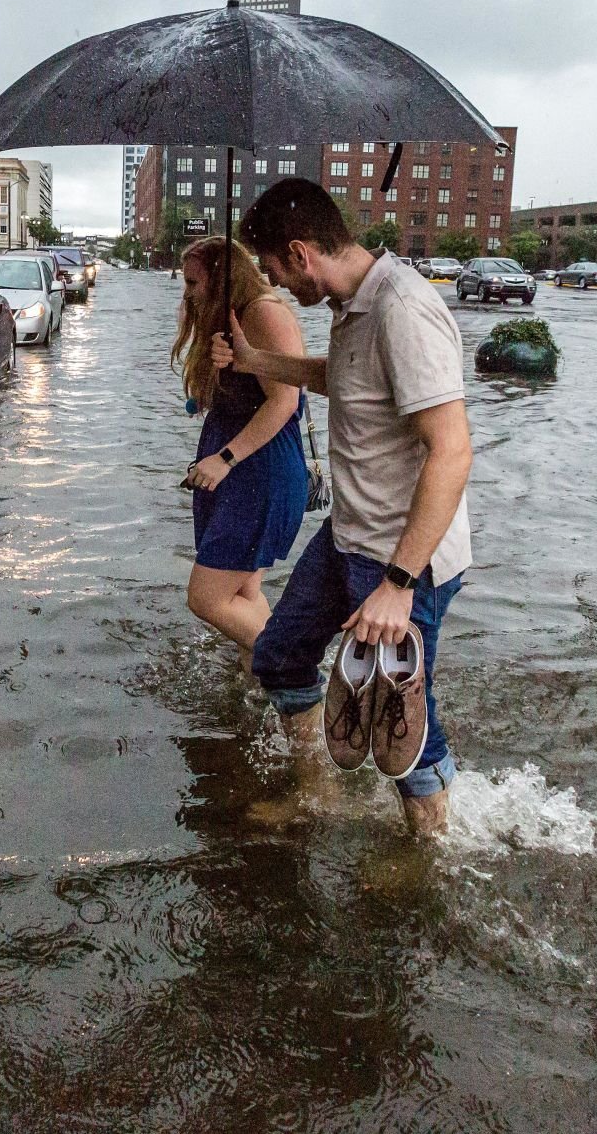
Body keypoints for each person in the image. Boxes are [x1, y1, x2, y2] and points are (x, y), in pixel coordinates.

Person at [211, 180, 473, 836]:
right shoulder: (353, 304)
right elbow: (343, 378)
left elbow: (452, 452)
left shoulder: (402, 309)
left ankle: (429, 858)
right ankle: (318, 795)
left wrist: (398, 585)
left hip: (402, 558)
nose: (273, 283)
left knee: (401, 731)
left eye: (272, 269)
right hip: (348, 535)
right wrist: (256, 360)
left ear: (300, 253)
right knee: (279, 656)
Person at [173, 236, 308, 668]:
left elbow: (285, 402)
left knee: (207, 598)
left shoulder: (263, 312)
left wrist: (225, 458)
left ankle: (291, 668)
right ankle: (256, 706)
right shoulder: (229, 320)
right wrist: (218, 366)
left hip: (256, 471)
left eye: (194, 283)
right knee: (242, 594)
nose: (188, 293)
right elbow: (219, 398)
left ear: (221, 275)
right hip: (233, 472)